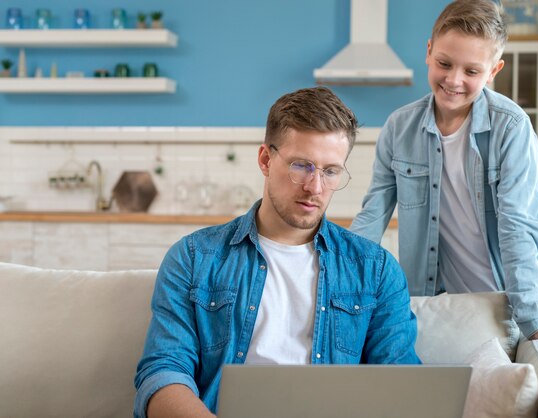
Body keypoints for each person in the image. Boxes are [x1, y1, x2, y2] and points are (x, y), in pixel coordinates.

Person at [134, 86, 421, 418]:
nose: (315, 187)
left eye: (330, 171)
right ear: (265, 160)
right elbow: (163, 371)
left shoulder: (376, 269)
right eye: (302, 166)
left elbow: (399, 381)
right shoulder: (194, 258)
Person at [350, 0, 538, 357]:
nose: (454, 80)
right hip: (462, 305)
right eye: (445, 63)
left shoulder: (511, 126)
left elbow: (516, 225)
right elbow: (372, 217)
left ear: (494, 70)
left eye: (472, 71)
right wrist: (338, 285)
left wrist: (536, 322)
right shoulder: (399, 127)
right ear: (429, 52)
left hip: (532, 299)